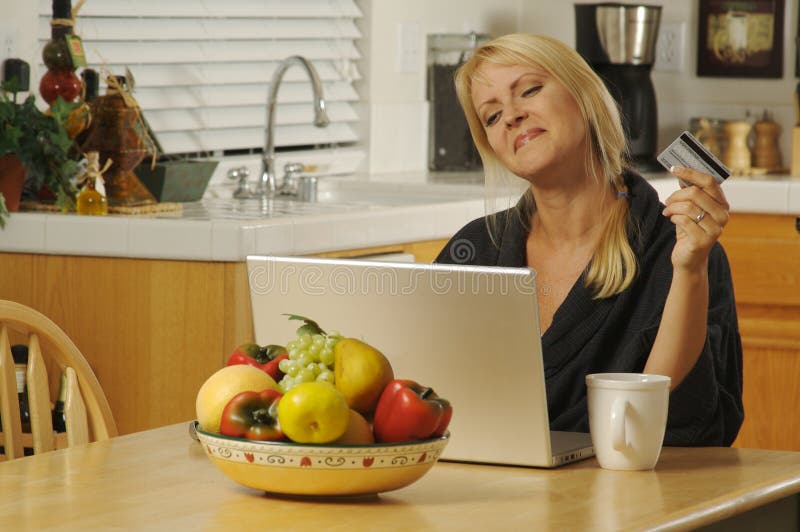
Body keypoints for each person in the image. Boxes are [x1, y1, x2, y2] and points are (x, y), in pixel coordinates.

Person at [435, 34, 743, 446]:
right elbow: (431, 406)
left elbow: (665, 423)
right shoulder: (474, 250)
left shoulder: (675, 251)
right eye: (491, 117)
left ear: (584, 95)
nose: (511, 116)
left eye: (529, 90)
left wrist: (688, 270)